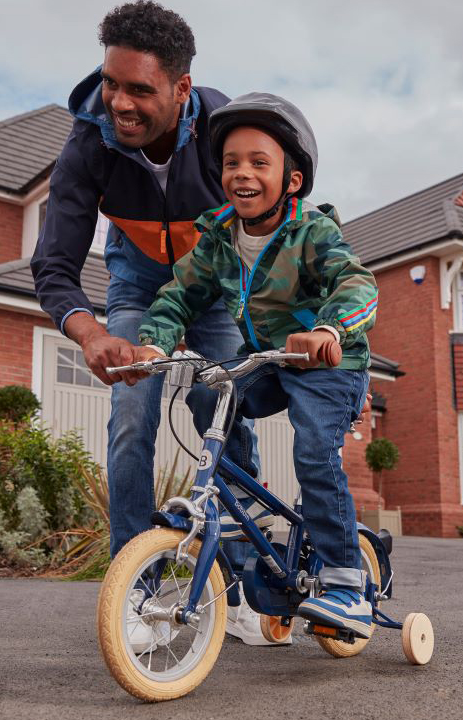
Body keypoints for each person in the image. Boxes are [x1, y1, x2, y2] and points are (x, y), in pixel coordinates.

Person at [29, 2, 278, 645]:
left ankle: (244, 586)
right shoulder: (90, 140)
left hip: (217, 287)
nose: (121, 102)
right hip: (138, 281)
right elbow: (55, 262)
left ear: (182, 89)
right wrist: (93, 333)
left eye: (141, 89)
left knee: (221, 406)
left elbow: (275, 218)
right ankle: (136, 598)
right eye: (112, 83)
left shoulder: (227, 131)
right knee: (133, 414)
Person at [125, 92, 379, 637]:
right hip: (268, 358)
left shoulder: (312, 231)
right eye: (232, 163)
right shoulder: (217, 236)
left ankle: (345, 582)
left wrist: (328, 330)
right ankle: (242, 495)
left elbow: (359, 284)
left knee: (313, 448)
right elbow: (177, 296)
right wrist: (154, 343)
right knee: (208, 387)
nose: (242, 173)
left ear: (290, 179)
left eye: (259, 163)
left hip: (329, 362)